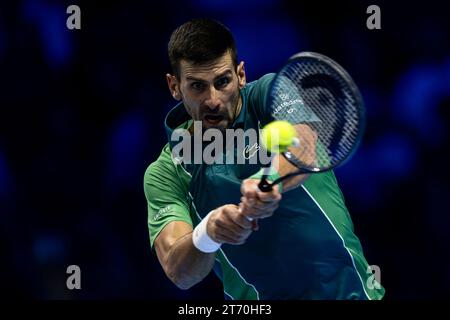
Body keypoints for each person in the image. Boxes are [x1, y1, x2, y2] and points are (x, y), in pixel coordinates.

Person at [143, 18, 385, 300]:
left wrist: (268, 181)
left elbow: (303, 145)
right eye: (197, 86)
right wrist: (208, 232)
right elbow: (179, 272)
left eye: (223, 82)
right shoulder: (166, 172)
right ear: (174, 86)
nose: (213, 100)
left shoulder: (268, 93)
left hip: (347, 294)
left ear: (241, 74)